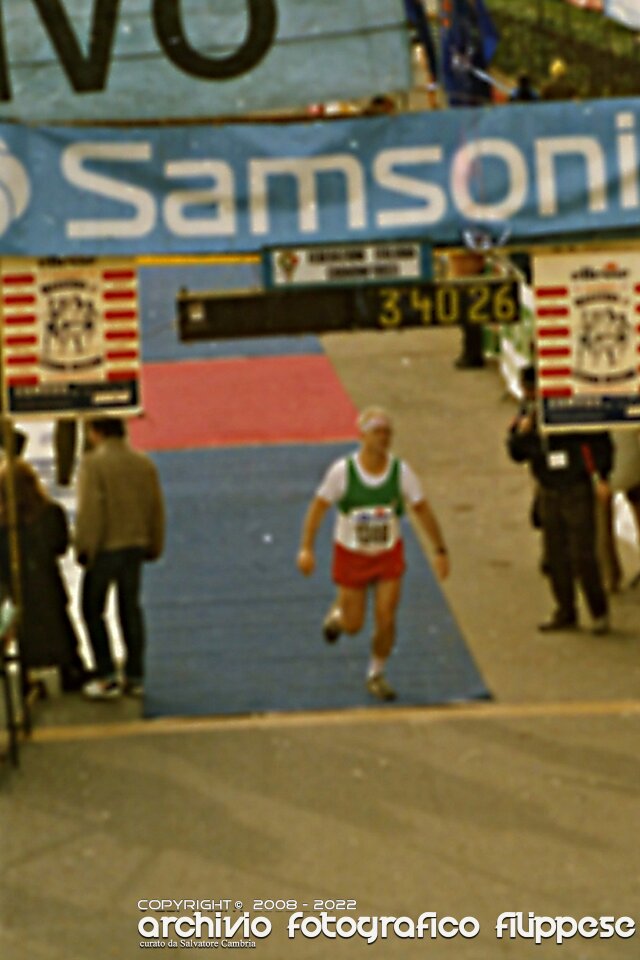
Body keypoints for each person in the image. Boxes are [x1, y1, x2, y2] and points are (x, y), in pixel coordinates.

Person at [296, 406, 450, 701]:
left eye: (387, 433)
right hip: (352, 555)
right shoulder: (343, 472)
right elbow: (318, 509)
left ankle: (376, 673)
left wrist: (440, 549)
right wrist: (306, 548)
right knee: (354, 626)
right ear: (362, 435)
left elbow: (422, 509)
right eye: (376, 432)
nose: (383, 438)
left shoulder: (400, 472)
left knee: (386, 617)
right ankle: (339, 616)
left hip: (387, 554)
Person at [507, 367, 612, 633]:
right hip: (548, 487)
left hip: (575, 485)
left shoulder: (570, 408)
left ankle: (598, 610)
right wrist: (522, 433)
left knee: (583, 554)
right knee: (555, 555)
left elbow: (596, 440)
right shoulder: (527, 413)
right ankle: (565, 609)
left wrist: (601, 476)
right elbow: (517, 452)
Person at [75, 417, 165, 700]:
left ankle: (106, 675)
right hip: (135, 546)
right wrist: (154, 543)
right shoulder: (144, 464)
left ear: (96, 432)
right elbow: (156, 508)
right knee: (130, 609)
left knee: (93, 610)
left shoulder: (93, 464)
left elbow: (91, 510)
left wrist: (85, 546)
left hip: (105, 548)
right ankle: (135, 675)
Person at [0, 460, 85, 691]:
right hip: (49, 583)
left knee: (26, 630)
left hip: (18, 587)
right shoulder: (51, 512)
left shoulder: (3, 523)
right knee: (60, 624)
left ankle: (27, 677)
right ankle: (71, 669)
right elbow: (61, 546)